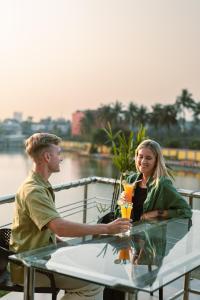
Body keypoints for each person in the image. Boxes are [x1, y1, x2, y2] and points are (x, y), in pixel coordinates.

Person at [9, 132, 131, 300]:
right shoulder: (34, 191)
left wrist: (66, 247)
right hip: (30, 266)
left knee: (96, 265)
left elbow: (44, 230)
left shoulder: (39, 185)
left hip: (43, 256)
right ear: (47, 156)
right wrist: (108, 228)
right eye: (58, 153)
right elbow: (59, 227)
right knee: (92, 283)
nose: (61, 158)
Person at [125, 139, 192, 221]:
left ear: (156, 161)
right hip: (127, 231)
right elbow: (120, 213)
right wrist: (122, 203)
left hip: (150, 233)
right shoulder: (131, 179)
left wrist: (157, 213)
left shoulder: (162, 184)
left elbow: (186, 211)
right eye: (140, 156)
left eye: (148, 158)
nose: (143, 161)